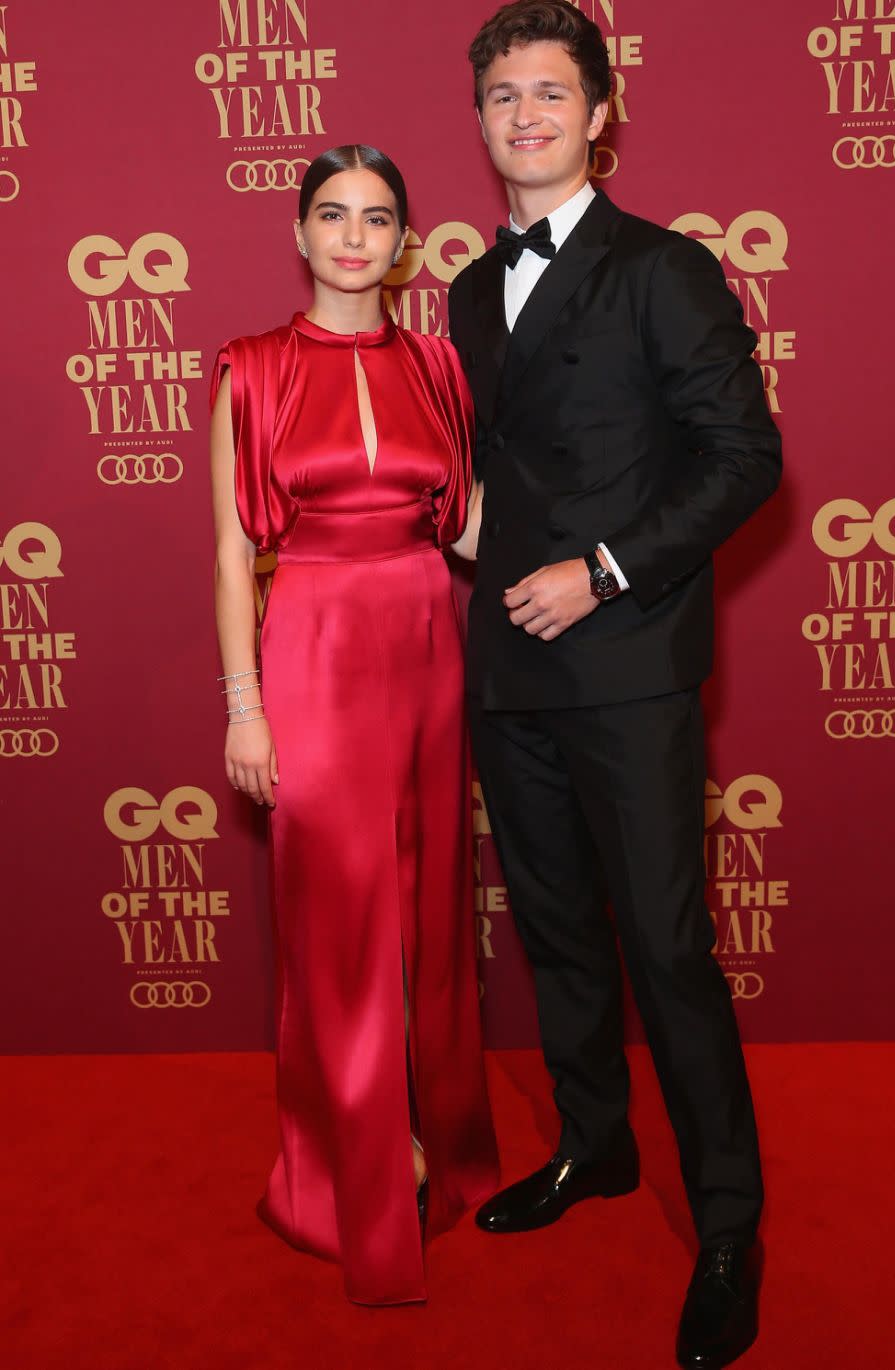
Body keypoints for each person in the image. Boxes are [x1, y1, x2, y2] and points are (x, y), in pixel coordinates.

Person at [447, 3, 781, 1366]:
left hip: (630, 662)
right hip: (507, 663)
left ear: (599, 117)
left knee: (665, 945)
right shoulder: (468, 288)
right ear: (479, 121)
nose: (523, 114)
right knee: (557, 934)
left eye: (548, 92)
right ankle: (597, 1147)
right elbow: (489, 474)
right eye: (500, 96)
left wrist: (603, 567)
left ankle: (729, 1223)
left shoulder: (666, 269)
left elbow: (743, 458)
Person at [209, 144, 498, 1307]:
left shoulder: (439, 362)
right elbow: (234, 551)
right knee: (338, 923)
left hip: (427, 647)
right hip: (315, 648)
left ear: (405, 242)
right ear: (299, 231)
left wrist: (619, 536)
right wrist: (245, 704)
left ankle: (437, 1141)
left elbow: (473, 528)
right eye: (332, 214)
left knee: (426, 908)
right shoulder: (253, 367)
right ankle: (352, 1171)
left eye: (378, 219)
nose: (353, 237)